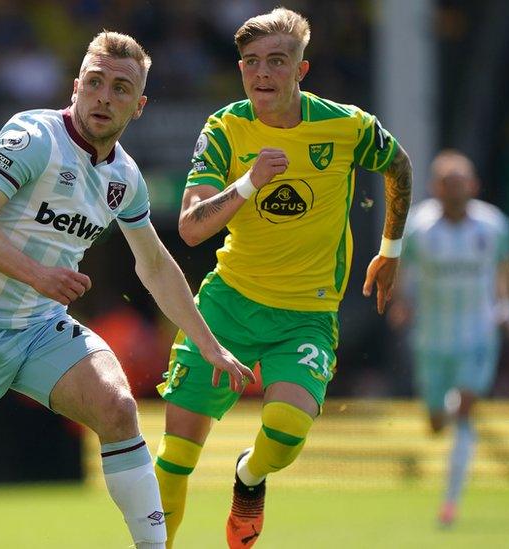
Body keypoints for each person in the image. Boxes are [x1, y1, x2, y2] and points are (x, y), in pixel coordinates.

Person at [0, 31, 254, 549]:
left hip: (38, 326)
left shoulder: (125, 178)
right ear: (75, 87)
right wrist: (40, 276)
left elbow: (154, 264)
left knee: (117, 407)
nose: (104, 96)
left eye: (120, 88)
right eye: (95, 82)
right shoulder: (34, 137)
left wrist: (208, 343)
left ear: (139, 106)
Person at [152, 8, 413, 548]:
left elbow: (399, 166)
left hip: (306, 315)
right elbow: (190, 228)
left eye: (277, 60)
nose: (262, 73)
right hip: (228, 305)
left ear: (302, 69)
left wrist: (391, 250)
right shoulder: (225, 129)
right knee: (175, 458)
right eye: (251, 62)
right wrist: (248, 182)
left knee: (287, 434)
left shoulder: (345, 126)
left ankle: (249, 476)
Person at [388, 150, 509, 527]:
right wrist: (401, 302)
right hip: (431, 340)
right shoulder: (419, 227)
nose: (454, 191)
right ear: (435, 188)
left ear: (473, 186)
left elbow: (507, 265)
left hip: (477, 335)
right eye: (447, 185)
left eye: (460, 184)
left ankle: (450, 503)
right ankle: (445, 408)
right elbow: (400, 265)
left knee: (465, 408)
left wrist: (507, 306)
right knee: (435, 424)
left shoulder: (493, 226)